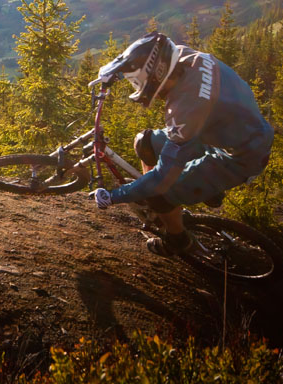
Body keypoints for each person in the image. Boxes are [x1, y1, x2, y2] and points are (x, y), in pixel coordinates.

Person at [92, 32, 273, 255]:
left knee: (159, 193)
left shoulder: (188, 109)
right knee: (145, 142)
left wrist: (114, 196)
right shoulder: (184, 56)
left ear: (158, 75)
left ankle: (177, 240)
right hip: (228, 130)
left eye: (138, 82)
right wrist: (115, 72)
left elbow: (160, 180)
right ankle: (191, 194)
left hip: (240, 157)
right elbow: (148, 54)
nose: (137, 87)